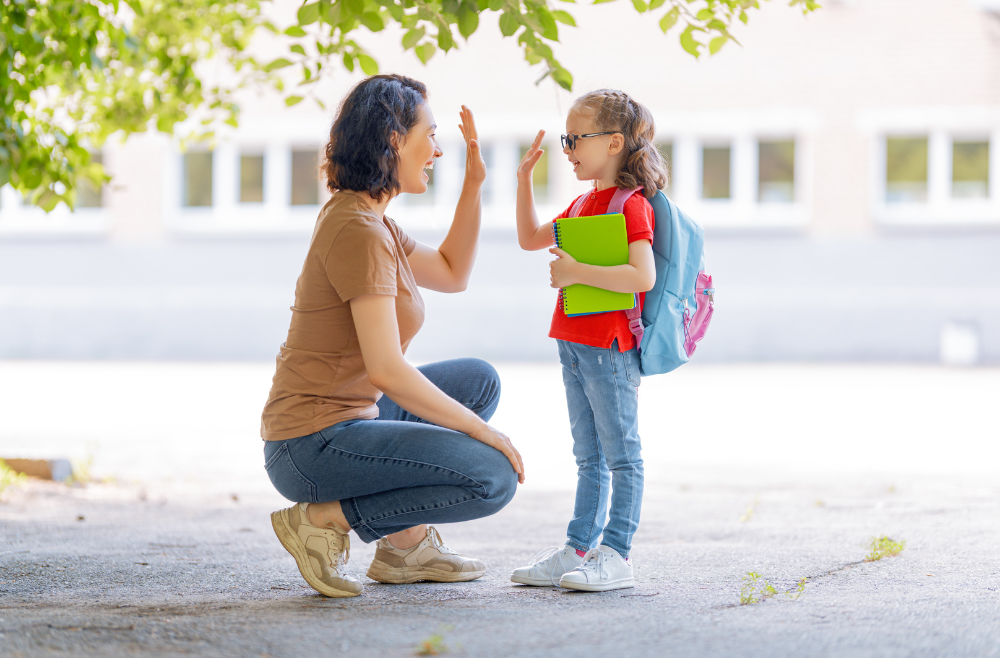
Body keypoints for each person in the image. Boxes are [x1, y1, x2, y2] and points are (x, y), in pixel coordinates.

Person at [260, 74, 524, 599]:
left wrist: (474, 186)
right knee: (491, 477)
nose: (438, 149)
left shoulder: (372, 220)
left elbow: (451, 272)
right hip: (310, 445)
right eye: (429, 134)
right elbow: (386, 368)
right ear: (394, 139)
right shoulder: (358, 230)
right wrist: (482, 433)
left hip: (354, 420)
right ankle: (325, 518)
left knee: (478, 381)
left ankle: (404, 548)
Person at [509, 89, 667, 591]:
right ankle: (579, 548)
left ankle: (616, 552)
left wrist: (578, 269)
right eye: (566, 139)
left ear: (615, 142)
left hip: (610, 346)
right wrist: (522, 181)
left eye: (576, 138)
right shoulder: (581, 203)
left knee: (622, 454)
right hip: (573, 342)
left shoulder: (631, 205)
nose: (568, 148)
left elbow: (640, 277)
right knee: (587, 455)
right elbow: (530, 238)